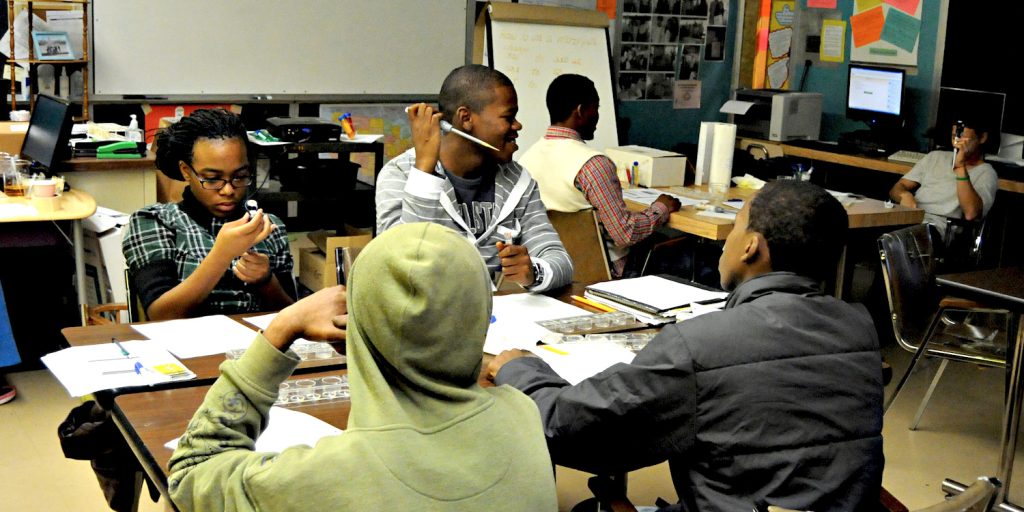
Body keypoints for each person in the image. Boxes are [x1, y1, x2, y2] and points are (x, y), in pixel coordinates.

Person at [488, 180, 885, 511]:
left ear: (750, 247)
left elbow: (571, 429)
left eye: (734, 227)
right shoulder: (859, 329)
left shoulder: (702, 344)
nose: (728, 240)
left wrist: (517, 367)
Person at [168, 222, 558, 511]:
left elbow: (190, 474)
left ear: (357, 321)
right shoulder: (522, 415)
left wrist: (280, 329)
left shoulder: (325, 475)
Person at [376, 64, 573, 292]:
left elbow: (560, 261)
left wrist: (533, 272)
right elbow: (400, 268)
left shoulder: (518, 180)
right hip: (430, 321)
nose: (517, 126)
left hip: (503, 320)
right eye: (508, 117)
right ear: (466, 118)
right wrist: (424, 173)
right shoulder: (400, 175)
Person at [122, 109, 296, 320]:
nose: (228, 190)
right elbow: (161, 315)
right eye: (212, 179)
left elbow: (293, 315)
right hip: (189, 349)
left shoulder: (268, 227)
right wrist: (222, 254)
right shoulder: (155, 222)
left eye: (240, 177)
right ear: (186, 171)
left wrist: (266, 281)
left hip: (258, 345)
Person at [518, 74, 681, 278]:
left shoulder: (526, 159)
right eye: (596, 108)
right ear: (580, 110)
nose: (597, 116)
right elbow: (624, 234)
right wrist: (661, 207)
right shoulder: (593, 164)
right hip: (604, 269)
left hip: (548, 266)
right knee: (687, 250)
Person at [889, 116, 999, 238]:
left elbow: (971, 213)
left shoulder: (986, 173)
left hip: (936, 229)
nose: (957, 144)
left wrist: (960, 167)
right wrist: (904, 195)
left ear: (982, 138)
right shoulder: (935, 157)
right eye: (954, 137)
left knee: (896, 240)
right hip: (910, 218)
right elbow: (897, 188)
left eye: (964, 140)